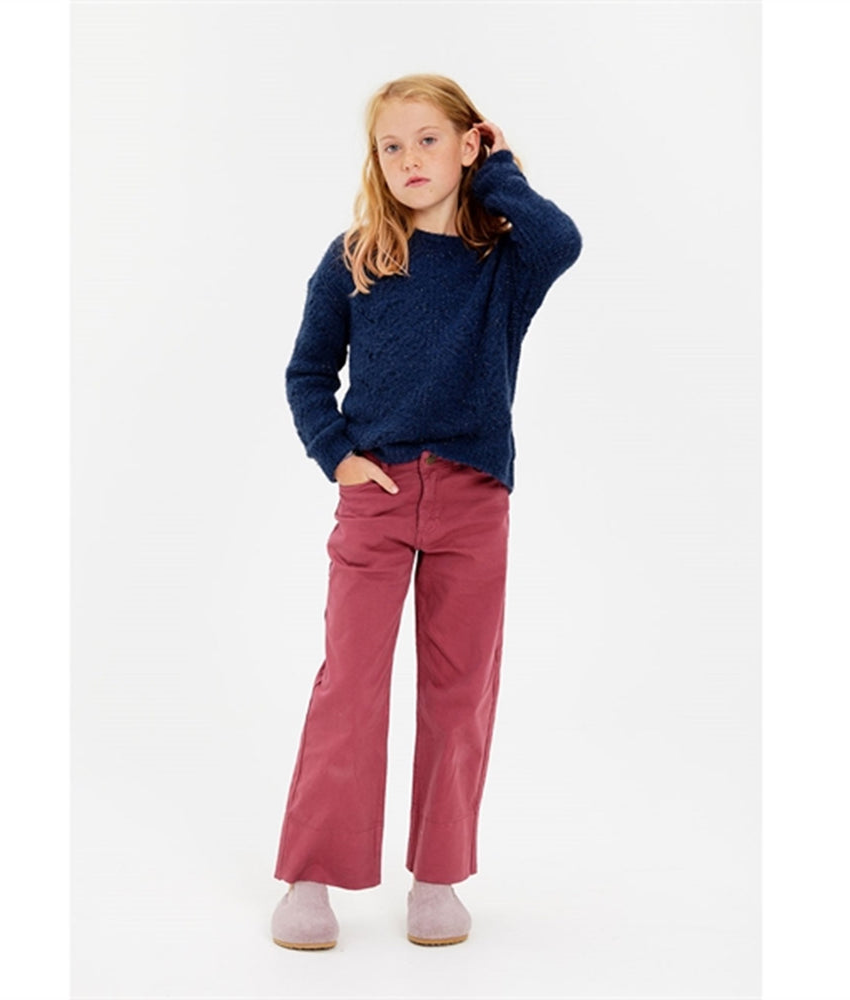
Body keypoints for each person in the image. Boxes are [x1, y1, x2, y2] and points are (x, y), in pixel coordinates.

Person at [270, 73, 582, 950]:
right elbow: (307, 373)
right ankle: (311, 876)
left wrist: (500, 168)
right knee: (349, 683)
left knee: (460, 689)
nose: (409, 158)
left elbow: (563, 239)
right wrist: (337, 456)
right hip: (377, 497)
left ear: (468, 145)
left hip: (474, 498)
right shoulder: (354, 258)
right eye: (391, 146)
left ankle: (437, 878)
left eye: (430, 140)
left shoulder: (505, 264)